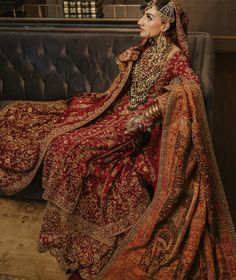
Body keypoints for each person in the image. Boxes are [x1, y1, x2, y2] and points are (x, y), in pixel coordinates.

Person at [0, 0, 235, 279]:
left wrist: (148, 114)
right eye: (143, 16)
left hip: (132, 128)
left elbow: (191, 88)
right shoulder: (148, 47)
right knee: (44, 129)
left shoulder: (175, 58)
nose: (140, 22)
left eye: (148, 17)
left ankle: (72, 228)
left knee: (70, 147)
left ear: (166, 25)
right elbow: (132, 86)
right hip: (116, 112)